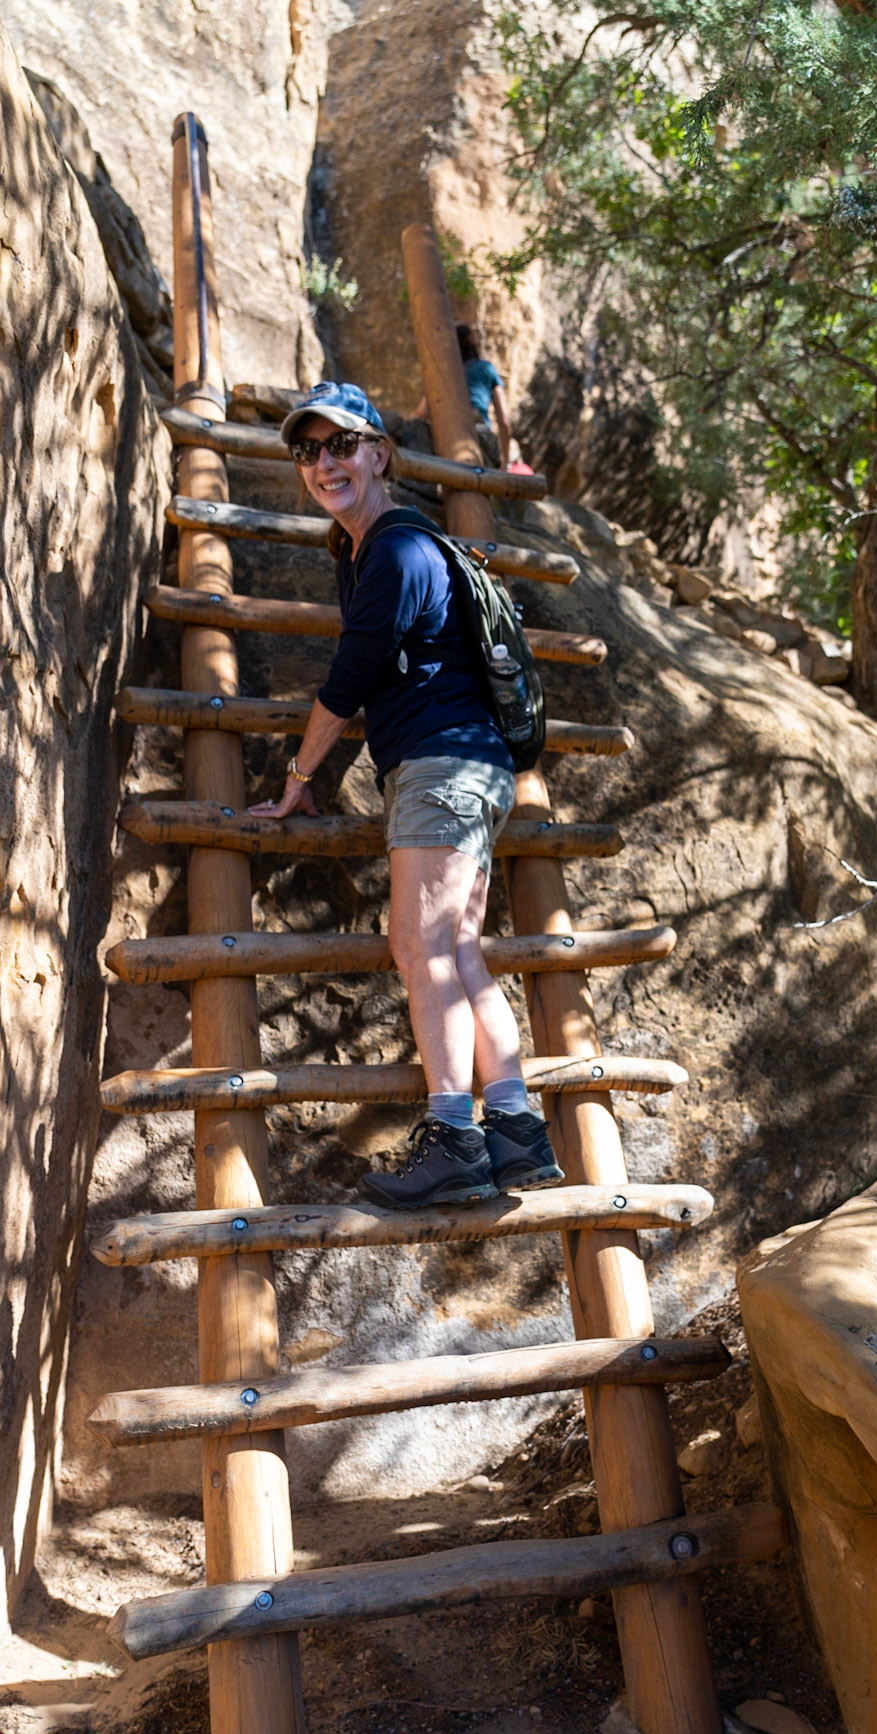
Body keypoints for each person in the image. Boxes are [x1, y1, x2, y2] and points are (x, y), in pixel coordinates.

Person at [248, 380, 562, 1210]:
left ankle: (454, 1138)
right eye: (308, 450)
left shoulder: (392, 550)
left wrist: (294, 782)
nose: (324, 463)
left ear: (379, 453)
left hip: (441, 765)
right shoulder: (372, 548)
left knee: (418, 946)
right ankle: (516, 1133)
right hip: (470, 766)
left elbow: (348, 682)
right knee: (456, 949)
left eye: (341, 444)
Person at [411, 324, 512, 466]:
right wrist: (505, 461)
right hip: (480, 437)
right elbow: (504, 421)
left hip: (445, 437)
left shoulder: (442, 373)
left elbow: (421, 413)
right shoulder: (486, 369)